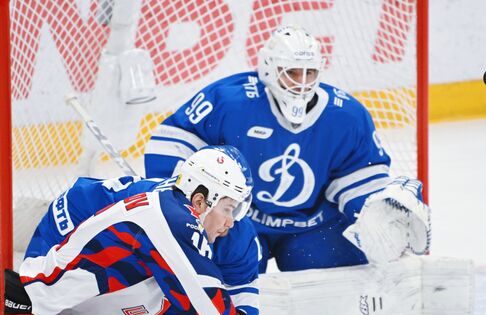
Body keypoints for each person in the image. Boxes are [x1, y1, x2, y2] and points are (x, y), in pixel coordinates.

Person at [144, 26, 430, 273]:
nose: (301, 82)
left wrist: (371, 214)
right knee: (214, 265)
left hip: (312, 227)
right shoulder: (230, 100)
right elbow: (174, 140)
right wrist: (177, 200)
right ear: (269, 67)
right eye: (292, 72)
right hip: (240, 220)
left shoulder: (347, 116)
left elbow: (359, 176)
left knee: (347, 268)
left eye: (309, 73)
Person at [0, 146, 266, 315]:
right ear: (201, 200)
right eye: (229, 209)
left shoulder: (172, 219)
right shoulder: (172, 218)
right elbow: (210, 310)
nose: (231, 222)